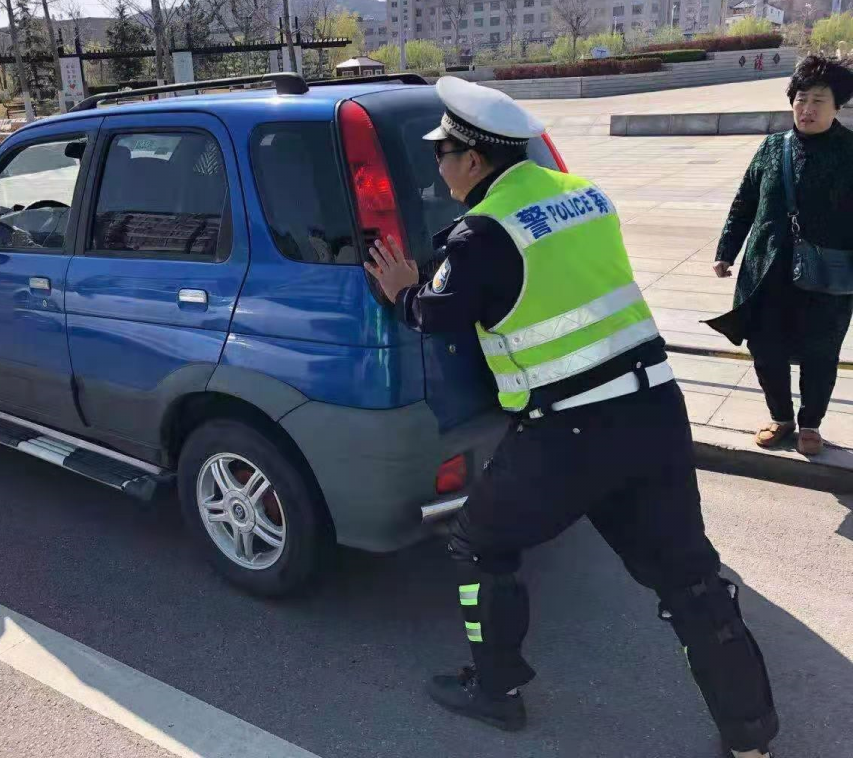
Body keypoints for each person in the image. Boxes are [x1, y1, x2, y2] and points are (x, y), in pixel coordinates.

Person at [365, 76, 778, 758]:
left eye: (443, 153)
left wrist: (406, 289)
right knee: (691, 578)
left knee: (479, 543)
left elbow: (435, 315)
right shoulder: (584, 194)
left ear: (474, 160)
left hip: (570, 432)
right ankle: (751, 737)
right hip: (655, 409)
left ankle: (494, 691)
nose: (437, 167)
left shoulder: (481, 236)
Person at [707, 55, 853, 456]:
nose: (806, 109)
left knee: (820, 352)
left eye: (818, 101)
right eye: (800, 99)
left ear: (837, 105)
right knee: (765, 348)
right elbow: (744, 202)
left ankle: (810, 424)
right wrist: (726, 250)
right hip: (766, 271)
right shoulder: (773, 148)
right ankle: (781, 416)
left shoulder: (850, 152)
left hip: (827, 277)